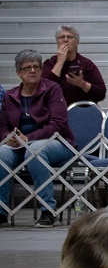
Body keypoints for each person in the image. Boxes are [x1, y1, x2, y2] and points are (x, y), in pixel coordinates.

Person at [0, 50, 75, 228]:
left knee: (35, 151)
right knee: (1, 153)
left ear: (41, 70)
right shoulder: (10, 96)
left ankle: (48, 211)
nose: (32, 71)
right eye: (27, 68)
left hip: (58, 142)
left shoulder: (52, 89)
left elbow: (58, 123)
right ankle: (1, 211)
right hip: (21, 145)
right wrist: (7, 138)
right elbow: (2, 127)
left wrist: (29, 138)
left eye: (36, 67)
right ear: (18, 72)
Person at [42, 25, 106, 105]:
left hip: (83, 111)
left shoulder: (86, 64)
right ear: (57, 41)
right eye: (61, 37)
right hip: (57, 111)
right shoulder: (50, 63)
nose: (65, 40)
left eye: (69, 37)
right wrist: (60, 62)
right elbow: (44, 90)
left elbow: (101, 93)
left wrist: (82, 84)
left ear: (77, 42)